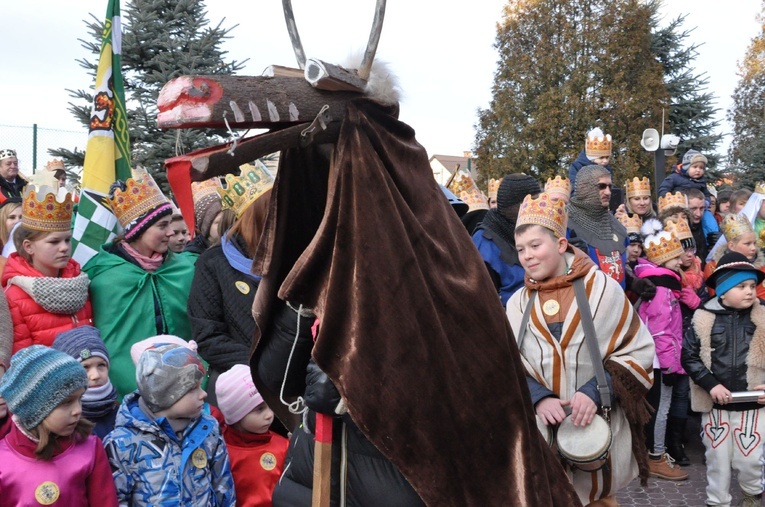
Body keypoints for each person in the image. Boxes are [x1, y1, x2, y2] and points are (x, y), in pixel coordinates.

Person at [507, 192, 655, 506]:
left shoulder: (603, 289)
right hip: (542, 439)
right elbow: (506, 364)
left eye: (536, 245)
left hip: (596, 431)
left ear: (561, 244)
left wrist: (594, 391)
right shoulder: (517, 303)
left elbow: (638, 352)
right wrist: (538, 396)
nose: (527, 256)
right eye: (521, 249)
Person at [83, 169, 196, 397]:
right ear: (139, 229)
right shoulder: (102, 274)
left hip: (186, 379)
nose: (171, 232)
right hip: (124, 385)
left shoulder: (184, 268)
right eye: (162, 226)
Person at [104, 343, 236, 506]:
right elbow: (117, 499)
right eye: (192, 388)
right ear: (165, 394)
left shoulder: (208, 428)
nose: (203, 394)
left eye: (200, 385)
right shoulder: (122, 444)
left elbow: (223, 487)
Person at [682, 252, 765, 507]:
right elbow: (689, 356)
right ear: (723, 291)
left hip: (753, 403)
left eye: (752, 286)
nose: (750, 291)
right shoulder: (703, 317)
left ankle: (751, 494)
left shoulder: (763, 318)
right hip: (715, 404)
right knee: (717, 460)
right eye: (741, 286)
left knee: (750, 459)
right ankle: (717, 502)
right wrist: (711, 384)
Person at [188, 164, 273, 404]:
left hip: (292, 382)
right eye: (271, 215)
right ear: (253, 218)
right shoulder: (212, 264)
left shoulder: (290, 258)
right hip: (244, 390)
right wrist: (262, 365)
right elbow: (208, 336)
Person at [0, 345, 118, 506]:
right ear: (35, 408)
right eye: (66, 402)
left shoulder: (90, 449)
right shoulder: (3, 460)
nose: (78, 410)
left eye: (79, 399)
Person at [634, 219, 693, 479]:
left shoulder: (663, 285)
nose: (681, 262)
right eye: (676, 258)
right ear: (664, 257)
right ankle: (655, 457)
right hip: (660, 361)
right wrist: (670, 365)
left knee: (659, 408)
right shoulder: (661, 290)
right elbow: (660, 331)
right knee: (660, 409)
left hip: (659, 359)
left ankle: (653, 454)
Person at [3, 185, 92, 353]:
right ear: (29, 247)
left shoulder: (79, 282)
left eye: (67, 240)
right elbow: (22, 356)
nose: (64, 248)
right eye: (54, 242)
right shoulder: (15, 297)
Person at [215, 364, 288, 507]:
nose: (269, 415)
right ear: (237, 415)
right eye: (259, 409)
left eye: (269, 405)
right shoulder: (220, 451)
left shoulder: (283, 445)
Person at [471, 173, 541, 305]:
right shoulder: (484, 241)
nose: (536, 208)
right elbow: (481, 299)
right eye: (532, 202)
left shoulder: (532, 230)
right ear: (514, 205)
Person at [565, 164, 628, 288]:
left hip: (618, 300)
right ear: (584, 188)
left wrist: (634, 281)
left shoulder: (618, 227)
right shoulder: (564, 222)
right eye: (601, 186)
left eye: (610, 186)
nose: (608, 192)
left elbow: (623, 265)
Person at [52, 326, 118, 439]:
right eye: (85, 367)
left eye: (101, 365)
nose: (96, 375)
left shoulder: (121, 410)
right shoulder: (66, 423)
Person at [704, 213, 765, 299]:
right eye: (747, 244)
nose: (753, 248)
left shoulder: (762, 268)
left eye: (754, 243)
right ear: (731, 246)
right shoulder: (713, 268)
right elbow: (716, 298)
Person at [184, 177, 224, 257]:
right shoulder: (193, 257)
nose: (225, 226)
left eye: (228, 220)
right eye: (218, 222)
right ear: (206, 227)